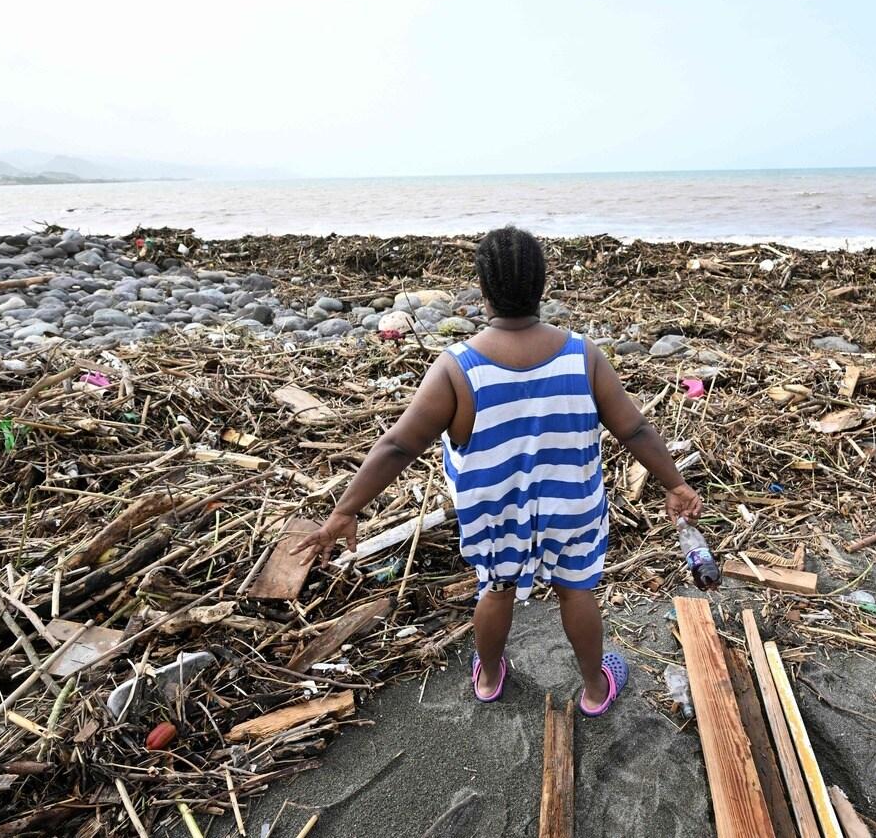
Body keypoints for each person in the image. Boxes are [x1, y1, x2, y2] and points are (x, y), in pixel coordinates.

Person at [295, 227, 701, 715]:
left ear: (483, 290)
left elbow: (399, 444)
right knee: (577, 590)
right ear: (542, 285)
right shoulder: (582, 355)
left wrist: (346, 510)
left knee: (497, 587)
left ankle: (489, 676)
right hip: (571, 504)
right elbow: (633, 429)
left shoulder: (457, 368)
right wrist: (674, 484)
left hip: (495, 510)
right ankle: (595, 687)